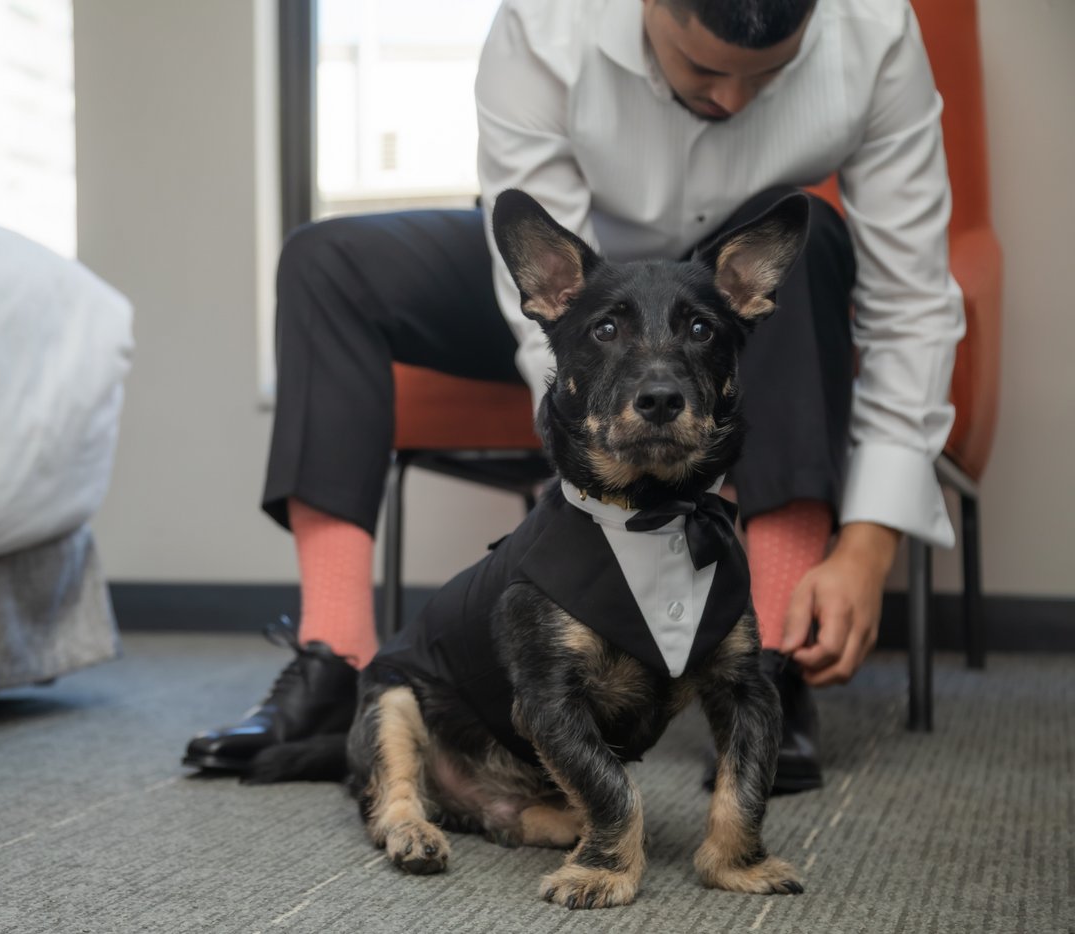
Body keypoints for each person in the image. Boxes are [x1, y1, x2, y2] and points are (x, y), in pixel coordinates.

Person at [183, 0, 963, 792]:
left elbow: (914, 304)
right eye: (704, 70)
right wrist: (596, 470)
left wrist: (868, 547)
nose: (733, 102)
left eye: (770, 77)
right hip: (578, 295)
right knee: (325, 261)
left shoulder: (878, 32)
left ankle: (770, 656)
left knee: (812, 242)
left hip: (718, 294)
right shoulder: (544, 23)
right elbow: (542, 316)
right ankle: (336, 662)